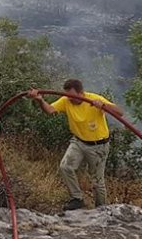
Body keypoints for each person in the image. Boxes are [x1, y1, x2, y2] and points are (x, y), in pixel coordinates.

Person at [28, 79, 124, 211]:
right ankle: (77, 199)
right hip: (78, 142)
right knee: (65, 166)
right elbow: (50, 110)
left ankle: (101, 210)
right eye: (67, 95)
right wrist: (40, 100)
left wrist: (102, 106)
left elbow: (119, 112)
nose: (70, 99)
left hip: (98, 146)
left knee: (97, 181)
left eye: (72, 95)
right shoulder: (66, 100)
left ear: (81, 93)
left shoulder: (93, 99)